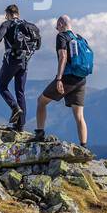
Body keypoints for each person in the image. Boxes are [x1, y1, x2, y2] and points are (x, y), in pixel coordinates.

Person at [35, 15, 91, 147]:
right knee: (79, 116)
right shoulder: (80, 38)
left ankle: (39, 134)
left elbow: (63, 57)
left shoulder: (62, 37)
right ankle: (84, 146)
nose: (56, 29)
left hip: (67, 78)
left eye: (56, 26)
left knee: (41, 102)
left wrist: (59, 78)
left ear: (61, 24)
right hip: (81, 80)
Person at [0, 4, 40, 131]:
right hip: (24, 62)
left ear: (8, 14)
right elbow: (38, 45)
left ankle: (14, 107)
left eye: (6, 15)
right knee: (20, 92)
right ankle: (20, 126)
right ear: (18, 13)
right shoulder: (28, 25)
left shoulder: (7, 24)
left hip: (11, 61)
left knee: (2, 86)